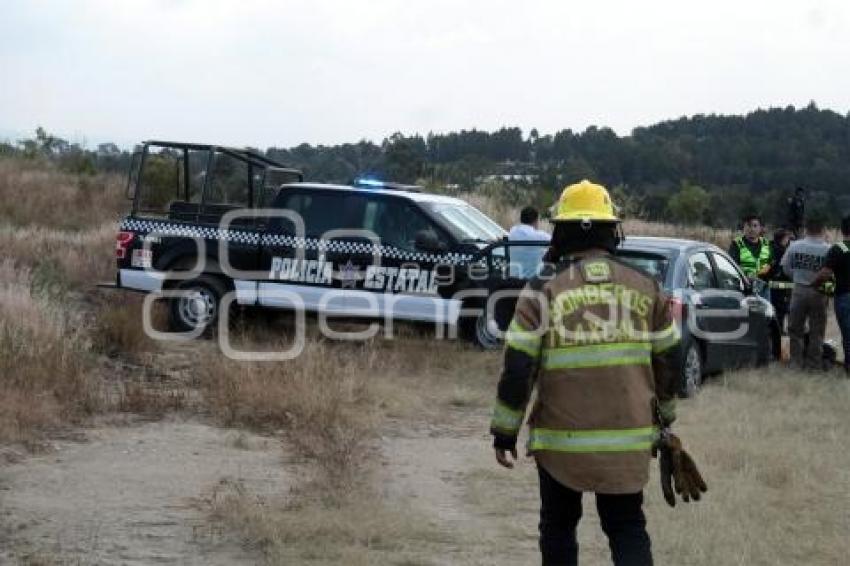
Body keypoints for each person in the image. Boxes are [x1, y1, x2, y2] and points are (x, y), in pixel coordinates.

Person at [490, 180, 704, 566]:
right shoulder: (647, 286)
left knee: (557, 525)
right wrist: (666, 418)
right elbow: (669, 359)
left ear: (561, 232)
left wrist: (504, 430)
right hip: (628, 439)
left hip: (560, 443)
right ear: (611, 231)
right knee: (626, 526)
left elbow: (519, 366)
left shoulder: (541, 289)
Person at [781, 216, 830, 370]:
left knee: (795, 329)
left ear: (805, 229)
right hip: (819, 292)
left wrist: (796, 276)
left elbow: (785, 267)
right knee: (817, 330)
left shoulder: (795, 246)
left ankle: (796, 363)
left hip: (799, 290)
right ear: (823, 229)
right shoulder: (827, 249)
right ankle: (814, 364)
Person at [812, 214, 850, 373]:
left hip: (845, 298)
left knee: (848, 336)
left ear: (842, 230)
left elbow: (825, 274)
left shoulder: (838, 249)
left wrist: (814, 284)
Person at [728, 214, 772, 300]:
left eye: (755, 226)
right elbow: (732, 265)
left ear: (760, 228)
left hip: (763, 288)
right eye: (748, 226)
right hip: (744, 288)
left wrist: (766, 270)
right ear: (743, 228)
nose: (752, 229)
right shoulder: (736, 244)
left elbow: (771, 262)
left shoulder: (767, 243)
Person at [766, 229, 794, 361]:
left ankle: (774, 349)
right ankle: (779, 351)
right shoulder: (782, 252)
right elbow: (786, 271)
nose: (789, 241)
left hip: (770, 288)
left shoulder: (769, 248)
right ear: (783, 239)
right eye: (788, 238)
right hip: (781, 289)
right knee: (780, 316)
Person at [508, 206, 551, 278]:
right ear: (536, 220)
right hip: (533, 281)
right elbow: (556, 243)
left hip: (514, 278)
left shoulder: (513, 231)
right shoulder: (540, 236)